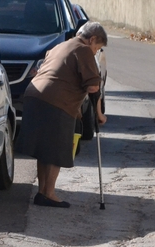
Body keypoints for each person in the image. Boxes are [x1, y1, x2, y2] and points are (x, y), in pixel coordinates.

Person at [19, 21, 108, 208]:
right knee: (56, 149)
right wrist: (99, 114)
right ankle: (48, 194)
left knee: (45, 149)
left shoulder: (60, 46)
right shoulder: (83, 50)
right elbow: (93, 86)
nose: (95, 53)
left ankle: (42, 192)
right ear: (91, 40)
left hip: (34, 96)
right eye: (97, 48)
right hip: (56, 101)